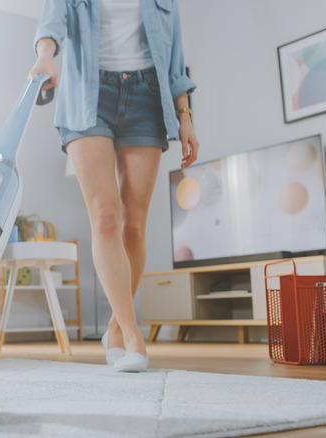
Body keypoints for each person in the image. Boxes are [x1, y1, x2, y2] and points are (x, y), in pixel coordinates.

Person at [29, 0, 200, 372]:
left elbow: (175, 60)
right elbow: (52, 22)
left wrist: (185, 117)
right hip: (88, 94)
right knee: (106, 217)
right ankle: (133, 334)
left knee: (134, 227)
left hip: (147, 97)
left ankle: (114, 328)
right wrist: (46, 56)